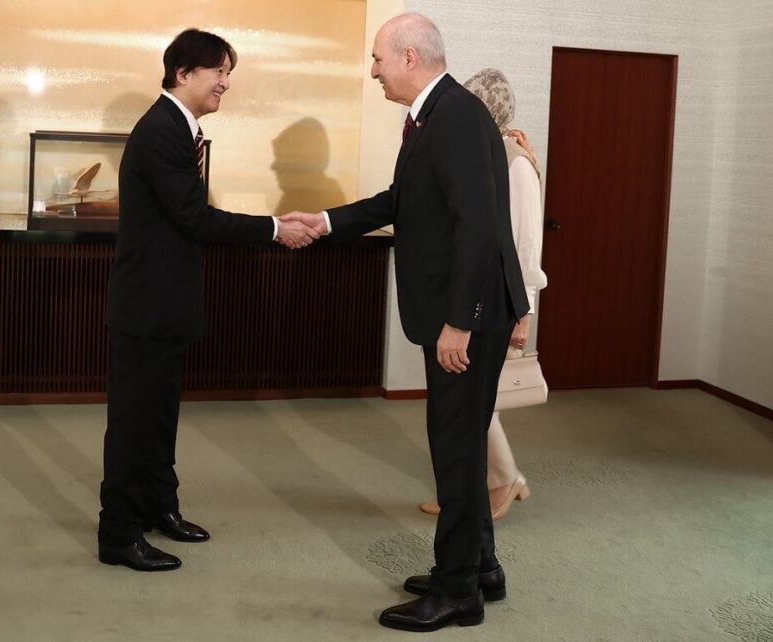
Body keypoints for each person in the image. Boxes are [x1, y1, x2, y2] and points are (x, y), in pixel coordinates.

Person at [284, 13, 530, 632]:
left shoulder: (457, 115)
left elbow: (477, 225)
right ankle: (480, 567)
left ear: (410, 57)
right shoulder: (432, 115)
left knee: (453, 448)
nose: (372, 71)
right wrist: (329, 221)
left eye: (377, 59)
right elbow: (403, 202)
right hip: (461, 311)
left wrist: (460, 322)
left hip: (466, 318)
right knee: (463, 444)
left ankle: (457, 593)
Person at [99, 28, 318, 572]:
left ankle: (158, 508)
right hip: (147, 306)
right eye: (218, 71)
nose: (225, 83)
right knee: (134, 423)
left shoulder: (179, 129)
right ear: (183, 73)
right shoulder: (161, 132)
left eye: (228, 73)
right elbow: (193, 218)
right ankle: (119, 534)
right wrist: (274, 228)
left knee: (161, 415)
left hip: (165, 304)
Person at [419, 68, 548, 521]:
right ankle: (471, 489)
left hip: (500, 296)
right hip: (476, 290)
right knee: (468, 402)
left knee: (476, 403)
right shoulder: (484, 151)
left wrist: (524, 312)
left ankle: (501, 481)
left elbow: (528, 245)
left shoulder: (515, 160)